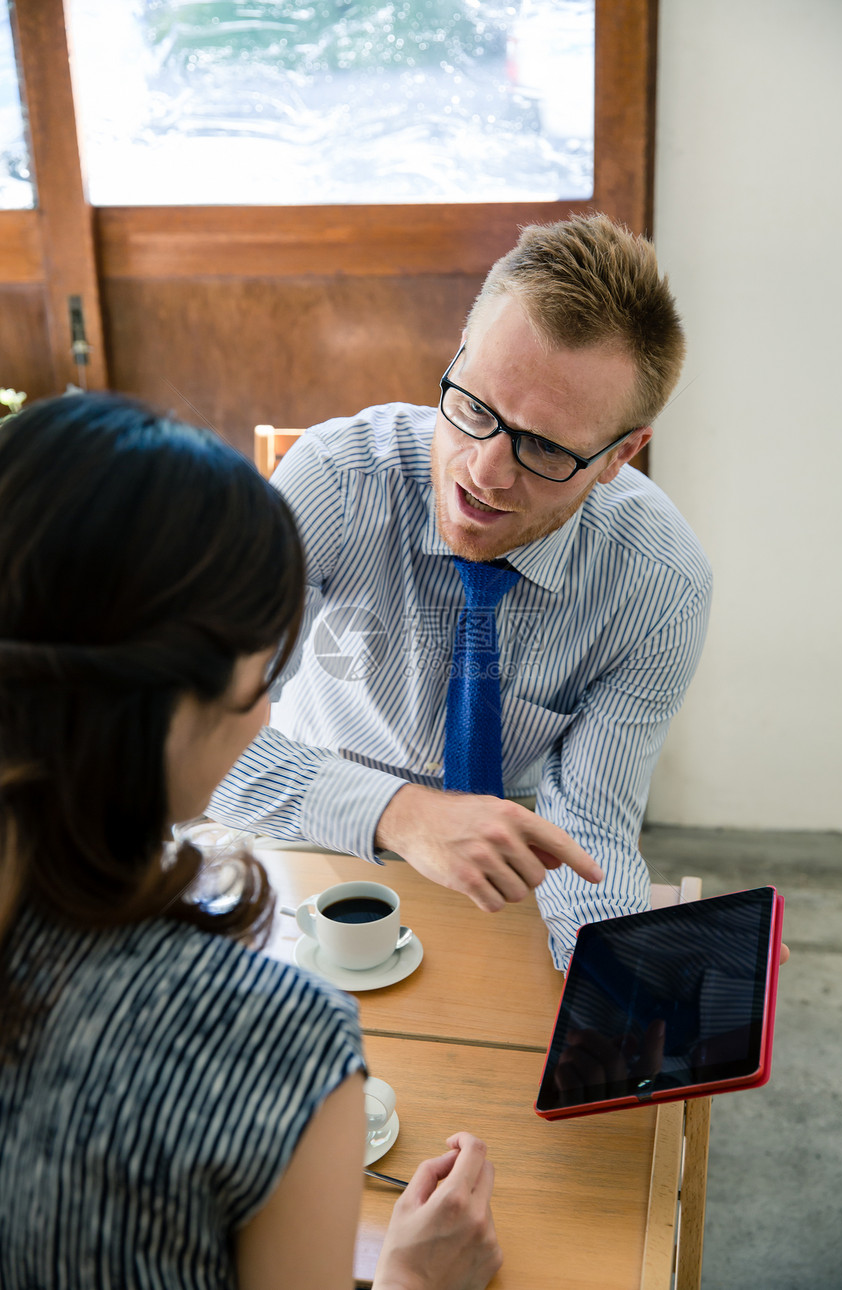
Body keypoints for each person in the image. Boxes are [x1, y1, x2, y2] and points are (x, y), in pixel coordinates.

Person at [0, 393, 502, 1290]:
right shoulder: (274, 1040)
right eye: (265, 670)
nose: (271, 708)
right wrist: (416, 1281)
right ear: (168, 706)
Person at [209, 213, 714, 970]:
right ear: (459, 355)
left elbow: (591, 829)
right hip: (304, 840)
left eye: (543, 447)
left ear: (620, 454)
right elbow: (193, 737)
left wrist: (609, 984)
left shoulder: (660, 585)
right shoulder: (337, 482)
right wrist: (402, 814)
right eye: (475, 407)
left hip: (501, 877)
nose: (482, 472)